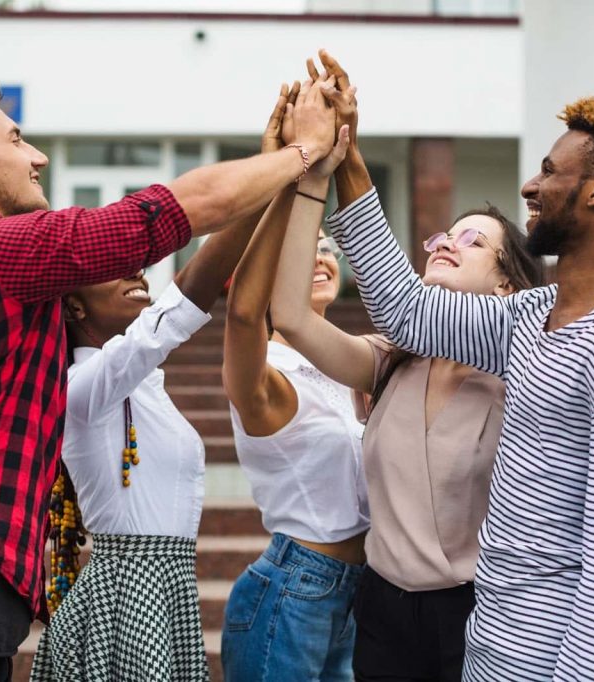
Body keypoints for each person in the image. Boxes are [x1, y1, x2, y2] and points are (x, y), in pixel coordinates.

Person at [0, 69, 338, 682]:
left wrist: (271, 168)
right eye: (16, 140)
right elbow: (166, 213)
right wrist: (302, 152)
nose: (37, 156)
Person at [325, 74, 594, 681]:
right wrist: (348, 154)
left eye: (550, 171)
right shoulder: (530, 315)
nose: (530, 186)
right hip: (486, 648)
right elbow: (407, 311)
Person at [270, 52, 544, 682]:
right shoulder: (392, 361)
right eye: (443, 234)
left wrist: (348, 157)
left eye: (474, 241)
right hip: (382, 613)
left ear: (508, 289)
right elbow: (290, 314)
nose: (447, 240)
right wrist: (314, 177)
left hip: (477, 616)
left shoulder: (523, 377)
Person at [27, 86, 301, 682]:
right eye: (109, 270)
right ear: (73, 309)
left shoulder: (143, 385)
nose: (133, 271)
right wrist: (276, 169)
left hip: (166, 586)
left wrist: (268, 178)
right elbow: (182, 303)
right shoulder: (82, 386)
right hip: (126, 596)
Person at [220, 79, 369, 682]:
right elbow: (241, 314)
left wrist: (338, 150)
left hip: (352, 596)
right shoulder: (268, 374)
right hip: (292, 593)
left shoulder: (346, 367)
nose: (318, 256)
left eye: (326, 247)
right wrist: (290, 170)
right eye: (301, 250)